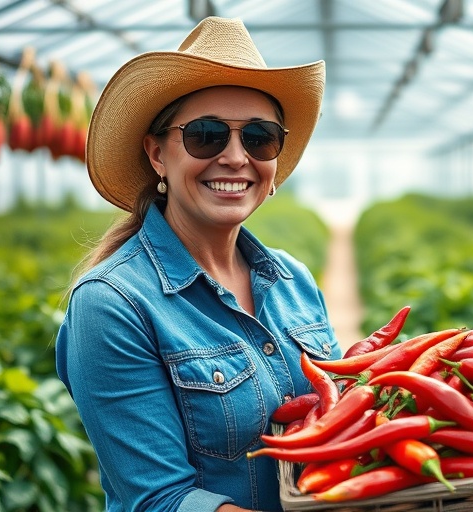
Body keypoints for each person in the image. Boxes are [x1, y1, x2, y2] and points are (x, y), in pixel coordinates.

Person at [55, 17, 342, 512]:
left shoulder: (294, 280)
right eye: (206, 135)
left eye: (259, 137)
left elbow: (340, 422)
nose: (235, 157)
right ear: (157, 154)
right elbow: (160, 499)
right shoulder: (111, 305)